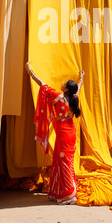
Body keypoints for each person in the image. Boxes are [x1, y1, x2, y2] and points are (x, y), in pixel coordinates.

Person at [25, 62, 84, 205]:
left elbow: (42, 84)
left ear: (66, 89)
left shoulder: (59, 96)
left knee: (64, 162)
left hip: (64, 134)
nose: (62, 84)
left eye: (65, 83)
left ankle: (69, 194)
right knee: (61, 160)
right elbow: (79, 88)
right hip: (69, 133)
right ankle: (58, 191)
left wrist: (30, 71)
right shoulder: (73, 98)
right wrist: (81, 78)